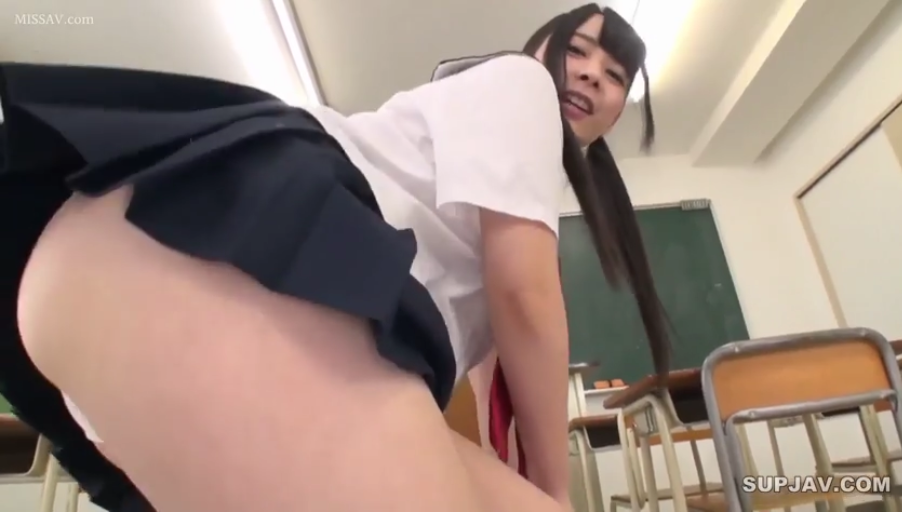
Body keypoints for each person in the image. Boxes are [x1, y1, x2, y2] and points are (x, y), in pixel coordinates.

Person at [0, 3, 671, 512]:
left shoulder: (491, 183)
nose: (592, 73)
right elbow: (525, 297)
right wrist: (555, 484)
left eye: (615, 75)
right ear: (537, 50)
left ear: (618, 112)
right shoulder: (520, 84)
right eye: (576, 50)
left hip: (135, 279)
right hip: (224, 263)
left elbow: (493, 363)